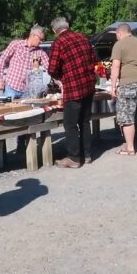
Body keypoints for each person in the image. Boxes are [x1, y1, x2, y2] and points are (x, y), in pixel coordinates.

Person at [48, 16, 96, 168]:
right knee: (85, 122)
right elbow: (94, 58)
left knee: (70, 124)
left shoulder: (59, 42)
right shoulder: (83, 37)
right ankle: (87, 155)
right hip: (88, 86)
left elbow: (52, 68)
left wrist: (57, 77)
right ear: (67, 26)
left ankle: (74, 158)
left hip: (73, 88)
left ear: (55, 30)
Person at [109, 23, 137, 155]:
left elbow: (115, 66)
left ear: (120, 33)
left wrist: (113, 86)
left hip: (128, 83)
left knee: (127, 116)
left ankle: (130, 148)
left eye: (117, 35)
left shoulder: (119, 45)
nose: (117, 38)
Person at [0, 25, 50, 99]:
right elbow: (2, 60)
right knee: (9, 110)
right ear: (33, 35)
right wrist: (0, 80)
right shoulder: (16, 45)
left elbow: (50, 68)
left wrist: (61, 84)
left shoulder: (40, 52)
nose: (41, 41)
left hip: (26, 92)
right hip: (10, 88)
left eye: (42, 40)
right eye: (40, 39)